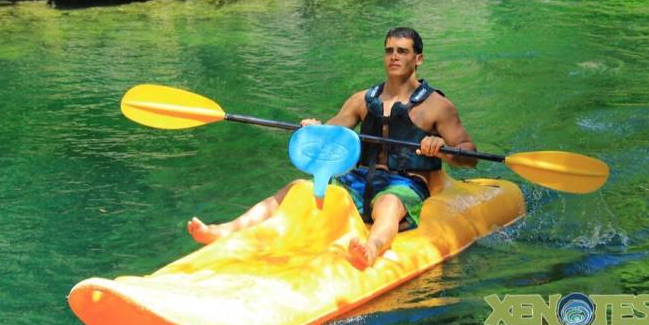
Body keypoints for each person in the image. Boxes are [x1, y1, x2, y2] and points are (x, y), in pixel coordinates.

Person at [187, 27, 477, 268]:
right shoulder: (363, 99)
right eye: (389, 50)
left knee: (388, 204)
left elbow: (469, 154)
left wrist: (443, 149)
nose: (394, 56)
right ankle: (225, 230)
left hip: (405, 182)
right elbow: (334, 130)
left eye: (402, 51)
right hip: (359, 178)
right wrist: (315, 129)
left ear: (419, 58)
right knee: (296, 188)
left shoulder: (437, 106)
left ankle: (372, 248)